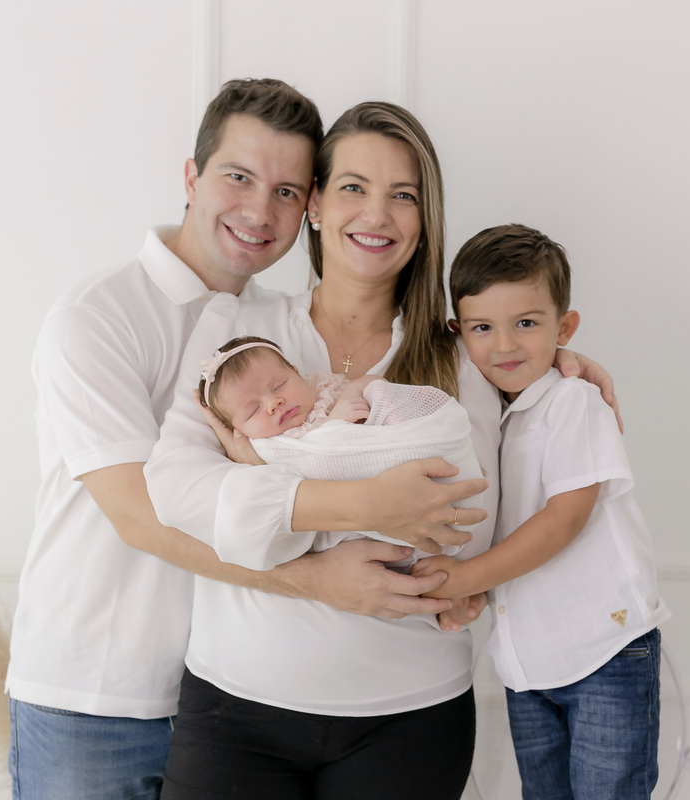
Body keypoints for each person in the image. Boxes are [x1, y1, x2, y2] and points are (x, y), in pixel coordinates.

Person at [5, 79, 481, 800]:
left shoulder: (255, 326)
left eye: (285, 190)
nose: (260, 210)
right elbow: (142, 515)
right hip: (99, 691)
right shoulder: (98, 315)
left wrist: (548, 373)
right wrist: (324, 570)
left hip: (211, 687)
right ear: (191, 177)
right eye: (238, 177)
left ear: (306, 203)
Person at [146, 101, 502, 799]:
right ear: (314, 204)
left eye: (404, 195)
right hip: (234, 709)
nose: (377, 214)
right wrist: (368, 506)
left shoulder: (460, 358)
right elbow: (175, 490)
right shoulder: (238, 330)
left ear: (425, 219)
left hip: (411, 717)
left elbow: (469, 523)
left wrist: (259, 489)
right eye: (353, 187)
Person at [414, 223, 672, 799]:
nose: (504, 345)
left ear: (565, 327)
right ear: (459, 333)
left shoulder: (572, 401)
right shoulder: (494, 415)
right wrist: (475, 592)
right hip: (529, 662)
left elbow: (562, 520)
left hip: (604, 651)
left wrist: (463, 579)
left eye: (526, 324)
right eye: (483, 328)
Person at [196, 334, 485, 571]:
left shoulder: (329, 392)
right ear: (239, 430)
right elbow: (306, 474)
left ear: (296, 373)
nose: (273, 403)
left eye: (279, 385)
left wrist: (352, 394)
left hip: (427, 483)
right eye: (253, 410)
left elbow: (377, 389)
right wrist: (333, 431)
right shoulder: (271, 447)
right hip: (357, 543)